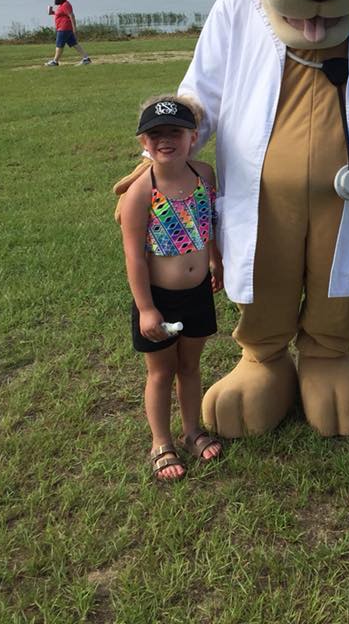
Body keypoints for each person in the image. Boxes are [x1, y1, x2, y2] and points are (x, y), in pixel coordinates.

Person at [118, 95, 224, 482]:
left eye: (174, 132)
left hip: (196, 294)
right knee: (161, 372)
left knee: (191, 366)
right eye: (155, 133)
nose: (165, 140)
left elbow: (209, 223)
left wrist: (217, 261)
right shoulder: (140, 194)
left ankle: (193, 429)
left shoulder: (204, 175)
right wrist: (146, 308)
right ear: (143, 143)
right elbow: (135, 258)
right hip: (159, 300)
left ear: (193, 136)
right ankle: (161, 441)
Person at [45, 0, 92, 66]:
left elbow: (71, 16)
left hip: (64, 29)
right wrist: (52, 12)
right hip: (65, 29)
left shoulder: (66, 5)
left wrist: (74, 29)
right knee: (75, 44)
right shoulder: (62, 5)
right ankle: (86, 59)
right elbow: (61, 15)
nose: (54, 0)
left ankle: (55, 61)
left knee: (59, 45)